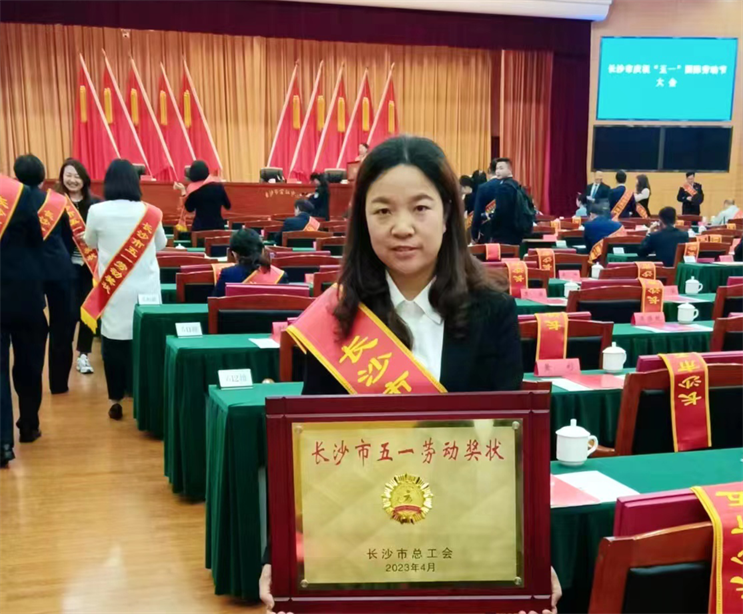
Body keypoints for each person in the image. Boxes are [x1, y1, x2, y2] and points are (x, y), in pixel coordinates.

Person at [261, 135, 560, 614]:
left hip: (463, 537)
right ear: (363, 220)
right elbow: (308, 448)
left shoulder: (493, 312)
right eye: (382, 211)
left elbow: (509, 447)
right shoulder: (337, 317)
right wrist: (278, 554)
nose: (402, 228)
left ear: (448, 213)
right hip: (360, 543)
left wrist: (534, 550)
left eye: (420, 208)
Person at [83, 160, 167, 420]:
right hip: (146, 289)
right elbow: (161, 244)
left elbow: (89, 242)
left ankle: (116, 398)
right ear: (135, 182)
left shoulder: (97, 211)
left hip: (114, 288)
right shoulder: (151, 212)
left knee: (113, 343)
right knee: (142, 342)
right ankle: (141, 394)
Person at [15, 155, 76, 394]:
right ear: (43, 177)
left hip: (26, 273)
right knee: (62, 327)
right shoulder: (56, 201)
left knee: (32, 328)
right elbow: (69, 238)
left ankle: (33, 383)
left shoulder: (10, 203)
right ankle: (59, 384)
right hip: (59, 269)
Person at [0, 176, 47, 465]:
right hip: (24, 291)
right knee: (29, 362)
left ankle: (3, 443)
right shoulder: (18, 192)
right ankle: (28, 424)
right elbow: (36, 239)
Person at [55, 158, 100, 375]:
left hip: (89, 267)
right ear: (62, 177)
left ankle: (84, 354)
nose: (72, 180)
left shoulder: (96, 204)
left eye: (77, 176)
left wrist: (91, 237)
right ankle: (64, 355)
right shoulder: (55, 202)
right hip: (64, 267)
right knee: (69, 313)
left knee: (87, 312)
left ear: (84, 179)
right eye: (68, 175)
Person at [212, 229, 287, 296]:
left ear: (234, 254)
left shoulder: (227, 274)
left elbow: (215, 303)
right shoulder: (280, 276)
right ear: (262, 250)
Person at [180, 160, 231, 231]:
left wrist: (183, 192)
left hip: (200, 229)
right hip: (218, 228)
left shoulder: (194, 190)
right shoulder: (219, 187)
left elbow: (189, 209)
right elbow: (228, 206)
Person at [470, 159, 500, 242]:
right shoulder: (511, 186)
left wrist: (474, 234)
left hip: (488, 232)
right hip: (509, 233)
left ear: (489, 170)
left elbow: (477, 213)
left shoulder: (483, 188)